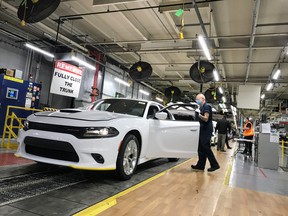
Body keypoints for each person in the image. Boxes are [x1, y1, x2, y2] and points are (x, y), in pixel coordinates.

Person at [191, 93, 220, 172]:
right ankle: (200, 165)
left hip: (206, 130)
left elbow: (206, 118)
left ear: (203, 99)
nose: (196, 101)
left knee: (206, 147)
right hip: (202, 129)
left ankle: (215, 165)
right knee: (200, 147)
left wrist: (199, 114)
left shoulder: (207, 106)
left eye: (198, 99)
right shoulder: (201, 107)